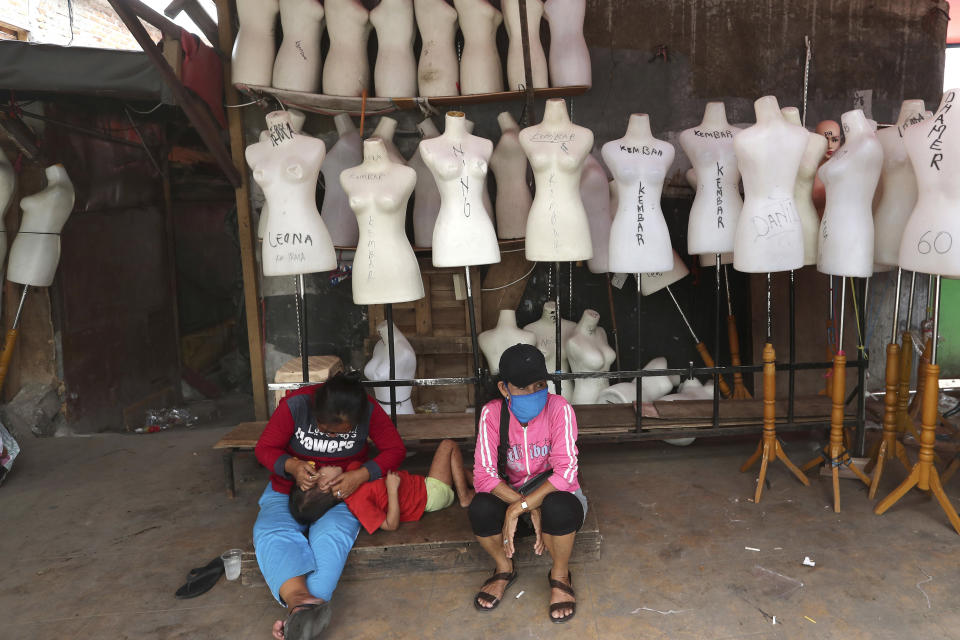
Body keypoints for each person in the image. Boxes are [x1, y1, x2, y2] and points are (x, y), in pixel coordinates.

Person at [253, 372, 406, 640]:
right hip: (287, 488)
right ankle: (304, 604)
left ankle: (300, 607)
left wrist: (360, 475)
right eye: (325, 429)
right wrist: (292, 466)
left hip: (340, 492)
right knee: (272, 531)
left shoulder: (368, 410)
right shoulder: (296, 406)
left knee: (332, 535)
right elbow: (264, 448)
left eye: (341, 433)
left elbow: (395, 450)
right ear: (316, 410)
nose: (332, 437)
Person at [468, 343, 587, 623]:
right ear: (504, 389)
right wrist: (525, 506)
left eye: (539, 385)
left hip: (552, 492)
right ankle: (503, 568)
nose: (534, 393)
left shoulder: (560, 409)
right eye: (523, 387)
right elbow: (483, 475)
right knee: (480, 508)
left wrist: (516, 509)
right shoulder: (492, 413)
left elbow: (565, 473)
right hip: (513, 491)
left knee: (561, 508)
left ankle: (560, 575)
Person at [289, 439, 475, 533]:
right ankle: (465, 497)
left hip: (426, 484)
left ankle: (487, 486)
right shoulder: (357, 503)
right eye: (320, 471)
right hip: (431, 495)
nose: (323, 466)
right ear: (324, 485)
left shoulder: (353, 472)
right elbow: (390, 524)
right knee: (448, 445)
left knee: (461, 470)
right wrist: (392, 491)